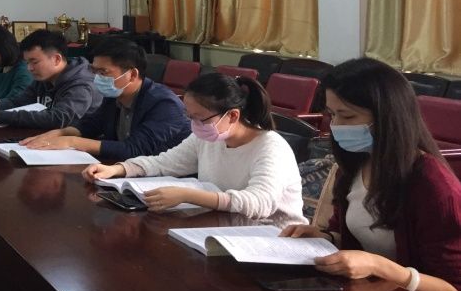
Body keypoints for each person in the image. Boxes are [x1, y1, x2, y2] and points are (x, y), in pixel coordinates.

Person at [280, 58, 461, 291]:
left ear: (387, 117)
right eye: (332, 114)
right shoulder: (354, 164)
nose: (335, 126)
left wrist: (380, 266)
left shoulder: (431, 184)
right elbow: (355, 238)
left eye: (347, 116)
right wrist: (327, 238)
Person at [82, 73, 304, 227]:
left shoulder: (270, 147)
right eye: (190, 117)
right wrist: (118, 169)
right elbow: (165, 162)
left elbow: (260, 203)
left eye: (200, 118)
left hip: (272, 238)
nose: (194, 125)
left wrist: (188, 195)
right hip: (223, 227)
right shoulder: (210, 137)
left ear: (232, 115)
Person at [19, 38, 190, 160]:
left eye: (103, 72)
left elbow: (134, 149)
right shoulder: (114, 95)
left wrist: (71, 141)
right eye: (95, 71)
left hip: (166, 180)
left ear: (132, 74)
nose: (97, 78)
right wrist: (60, 133)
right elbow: (91, 125)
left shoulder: (164, 104)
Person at [0, 29, 101, 129]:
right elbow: (17, 102)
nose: (29, 68)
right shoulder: (42, 80)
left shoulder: (81, 85)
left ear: (56, 59)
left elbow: (58, 119)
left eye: (34, 62)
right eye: (27, 62)